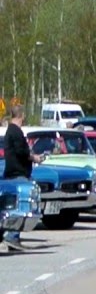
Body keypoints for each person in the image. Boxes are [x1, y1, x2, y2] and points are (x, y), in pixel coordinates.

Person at [3, 105, 41, 250]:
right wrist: (34, 157)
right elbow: (21, 152)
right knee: (21, 205)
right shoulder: (16, 132)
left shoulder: (10, 131)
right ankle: (12, 236)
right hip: (17, 173)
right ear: (22, 115)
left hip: (14, 173)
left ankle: (13, 237)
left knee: (15, 205)